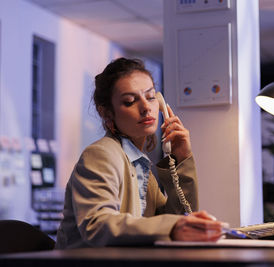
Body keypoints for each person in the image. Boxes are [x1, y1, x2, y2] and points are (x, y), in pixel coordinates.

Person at [55, 58, 223, 249]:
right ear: (106, 113)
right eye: (130, 101)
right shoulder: (101, 154)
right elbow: (97, 225)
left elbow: (176, 217)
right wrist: (172, 227)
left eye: (150, 97)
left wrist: (181, 160)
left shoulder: (137, 162)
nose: (146, 107)